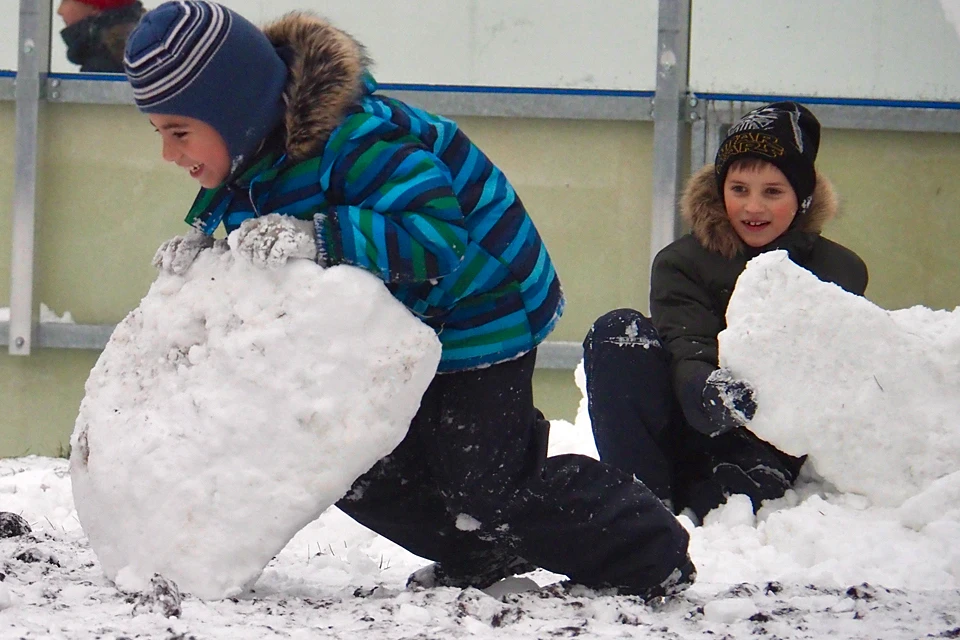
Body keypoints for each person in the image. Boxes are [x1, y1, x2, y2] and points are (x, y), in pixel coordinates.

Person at [122, 1, 695, 597]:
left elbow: (439, 238)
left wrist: (320, 235)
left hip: (483, 305)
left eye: (180, 132)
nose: (168, 153)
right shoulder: (253, 154)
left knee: (485, 481)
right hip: (405, 321)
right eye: (160, 132)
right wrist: (208, 258)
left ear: (235, 110)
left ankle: (647, 549)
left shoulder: (362, 142)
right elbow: (254, 224)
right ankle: (483, 549)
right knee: (348, 462)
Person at [583, 102, 868, 522]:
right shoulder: (681, 262)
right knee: (617, 332)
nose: (753, 207)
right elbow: (686, 343)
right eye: (739, 190)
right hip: (685, 423)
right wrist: (706, 389)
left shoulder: (837, 271)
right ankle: (640, 507)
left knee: (728, 501)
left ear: (803, 199)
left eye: (773, 192)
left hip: (764, 444)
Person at [58, 0, 146, 73]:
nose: (59, 11)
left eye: (65, 1)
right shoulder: (141, 44)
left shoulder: (104, 61)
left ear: (94, 7)